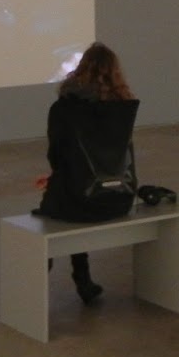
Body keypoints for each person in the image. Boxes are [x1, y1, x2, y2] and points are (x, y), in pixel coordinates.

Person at [35, 42, 140, 307]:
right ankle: (83, 281)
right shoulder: (123, 109)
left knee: (55, 207)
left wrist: (57, 177)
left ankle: (36, 288)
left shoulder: (63, 109)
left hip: (80, 200)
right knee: (72, 194)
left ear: (81, 70)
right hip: (119, 198)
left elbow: (56, 156)